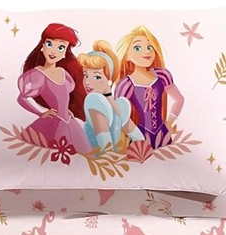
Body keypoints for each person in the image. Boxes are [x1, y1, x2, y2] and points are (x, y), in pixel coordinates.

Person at [17, 24, 90, 153]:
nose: (53, 51)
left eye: (60, 47)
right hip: (53, 122)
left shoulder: (64, 73)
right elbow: (21, 99)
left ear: (65, 53)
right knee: (56, 151)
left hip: (69, 121)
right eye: (49, 44)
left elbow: (64, 97)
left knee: (79, 152)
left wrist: (66, 109)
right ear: (42, 46)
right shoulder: (37, 75)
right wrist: (40, 113)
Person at [115, 26, 184, 148]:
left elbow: (179, 99)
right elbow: (120, 114)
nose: (146, 52)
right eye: (137, 48)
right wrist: (135, 136)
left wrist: (169, 124)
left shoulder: (162, 75)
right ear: (127, 56)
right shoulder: (125, 84)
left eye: (150, 47)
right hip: (140, 138)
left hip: (163, 134)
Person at [77, 40, 143, 152]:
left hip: (104, 159)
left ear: (109, 79)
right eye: (86, 75)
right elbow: (140, 141)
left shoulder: (97, 102)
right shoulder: (116, 106)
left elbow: (107, 148)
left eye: (96, 77)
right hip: (103, 159)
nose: (87, 82)